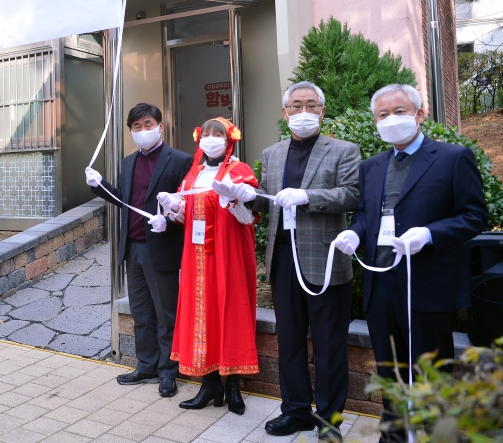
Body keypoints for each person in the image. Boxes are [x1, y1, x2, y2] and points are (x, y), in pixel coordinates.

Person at [335, 84, 487, 442]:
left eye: (399, 111)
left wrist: (430, 235)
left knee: (432, 373)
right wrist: (355, 232)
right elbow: (366, 212)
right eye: (383, 115)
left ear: (420, 114)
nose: (391, 120)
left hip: (427, 285)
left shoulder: (452, 158)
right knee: (389, 372)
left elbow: (475, 216)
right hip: (381, 283)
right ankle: (394, 436)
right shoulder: (371, 166)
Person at [221, 81, 360, 440]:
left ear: (322, 111)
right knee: (291, 341)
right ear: (285, 113)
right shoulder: (273, 153)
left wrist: (307, 196)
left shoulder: (343, 150)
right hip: (283, 261)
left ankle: (330, 419)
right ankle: (295, 410)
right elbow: (270, 202)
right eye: (296, 106)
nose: (303, 112)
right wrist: (245, 196)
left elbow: (351, 194)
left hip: (325, 262)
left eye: (311, 105)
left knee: (330, 346)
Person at [85, 103, 193, 397]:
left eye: (148, 125)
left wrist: (168, 222)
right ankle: (146, 365)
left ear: (161, 126)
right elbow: (124, 200)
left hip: (162, 247)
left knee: (165, 313)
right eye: (137, 127)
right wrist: (99, 185)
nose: (143, 131)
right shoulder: (128, 162)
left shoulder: (180, 160)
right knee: (141, 313)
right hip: (131, 248)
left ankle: (168, 371)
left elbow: (188, 207)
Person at [158, 118, 259, 415]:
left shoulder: (239, 171)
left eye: (218, 133)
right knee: (202, 317)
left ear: (230, 138)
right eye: (207, 133)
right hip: (197, 258)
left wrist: (234, 198)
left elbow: (249, 218)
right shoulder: (194, 175)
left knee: (230, 313)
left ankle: (233, 386)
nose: (211, 138)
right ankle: (209, 384)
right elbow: (185, 217)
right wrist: (171, 210)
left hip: (230, 255)